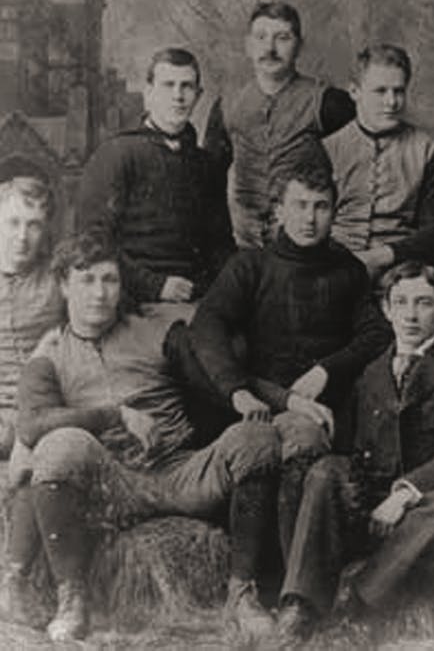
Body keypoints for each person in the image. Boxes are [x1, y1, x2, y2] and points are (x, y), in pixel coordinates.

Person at [2, 228, 282, 642]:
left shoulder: (156, 333)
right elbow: (32, 425)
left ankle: (243, 595)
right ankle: (72, 599)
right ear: (64, 286)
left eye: (110, 279)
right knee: (60, 444)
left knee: (256, 439)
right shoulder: (51, 353)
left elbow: (218, 375)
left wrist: (288, 401)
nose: (100, 293)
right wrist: (114, 416)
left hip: (177, 469)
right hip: (112, 483)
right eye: (87, 280)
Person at [189, 152, 392, 577]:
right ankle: (264, 581)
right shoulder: (251, 266)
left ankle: (294, 585)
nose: (309, 219)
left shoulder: (347, 270)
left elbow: (376, 334)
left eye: (321, 207)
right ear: (279, 210)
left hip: (324, 411)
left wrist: (327, 369)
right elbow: (207, 323)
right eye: (299, 206)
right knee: (272, 443)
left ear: (334, 212)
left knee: (304, 441)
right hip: (261, 402)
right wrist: (237, 389)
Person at [274, 261, 434, 640]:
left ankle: (359, 601)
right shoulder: (370, 374)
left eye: (424, 303)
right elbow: (351, 449)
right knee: (327, 470)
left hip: (425, 509)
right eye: (401, 303)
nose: (411, 315)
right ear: (386, 310)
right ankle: (302, 604)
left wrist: (404, 494)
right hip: (372, 504)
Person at [77, 48, 234, 304]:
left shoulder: (206, 164)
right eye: (168, 85)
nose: (178, 96)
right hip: (132, 298)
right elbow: (92, 242)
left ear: (198, 95)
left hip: (197, 298)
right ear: (148, 92)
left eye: (187, 86)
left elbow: (221, 246)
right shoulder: (116, 154)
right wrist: (154, 286)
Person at [204, 1, 357, 249]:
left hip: (306, 243)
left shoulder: (328, 102)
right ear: (248, 45)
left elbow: (358, 173)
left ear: (299, 46)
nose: (270, 48)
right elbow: (210, 182)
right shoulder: (227, 104)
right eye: (261, 37)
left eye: (282, 38)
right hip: (244, 242)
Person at [323, 45, 434, 278]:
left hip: (400, 269)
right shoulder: (326, 150)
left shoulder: (430, 151)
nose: (391, 102)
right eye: (380, 91)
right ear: (354, 91)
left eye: (399, 91)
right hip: (332, 267)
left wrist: (378, 257)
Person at [0, 177, 64, 457]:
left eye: (33, 225)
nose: (22, 237)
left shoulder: (59, 279)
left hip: (39, 407)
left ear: (46, 229)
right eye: (13, 223)